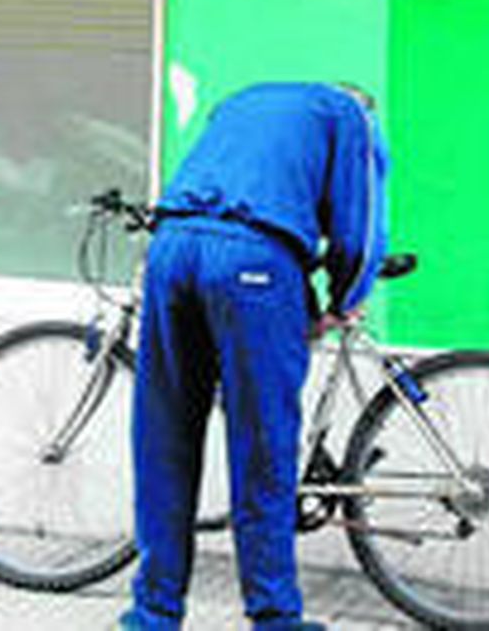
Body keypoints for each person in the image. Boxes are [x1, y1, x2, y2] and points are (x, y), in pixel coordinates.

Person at [118, 81, 389, 631]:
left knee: (164, 436)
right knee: (263, 443)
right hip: (251, 264)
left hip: (171, 249)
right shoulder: (350, 115)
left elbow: (243, 197)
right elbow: (356, 229)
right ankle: (274, 617)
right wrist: (346, 300)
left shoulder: (241, 101)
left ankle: (152, 613)